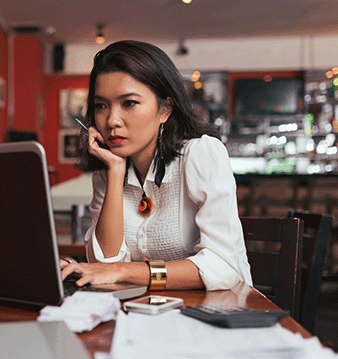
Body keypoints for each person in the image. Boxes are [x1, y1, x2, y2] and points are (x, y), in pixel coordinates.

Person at [60, 40, 252, 291]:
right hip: (148, 311)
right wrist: (116, 172)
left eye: (129, 103)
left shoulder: (200, 153)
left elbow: (224, 267)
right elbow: (105, 263)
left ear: (164, 109)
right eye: (101, 106)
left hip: (218, 312)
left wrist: (124, 271)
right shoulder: (107, 171)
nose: (111, 120)